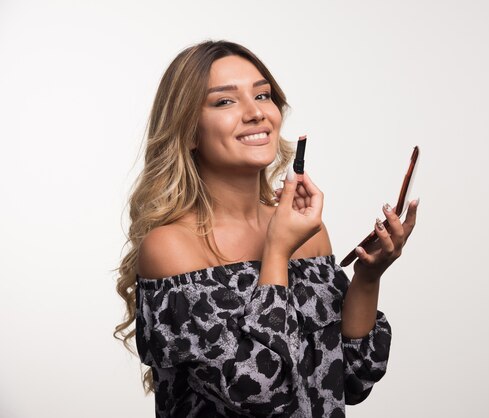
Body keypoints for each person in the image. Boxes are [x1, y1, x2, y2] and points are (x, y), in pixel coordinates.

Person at [114, 40, 419, 417]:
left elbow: (354, 376)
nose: (256, 112)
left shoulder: (308, 233)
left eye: (262, 95)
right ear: (190, 132)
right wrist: (276, 252)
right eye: (225, 101)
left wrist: (368, 276)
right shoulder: (172, 247)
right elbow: (262, 394)